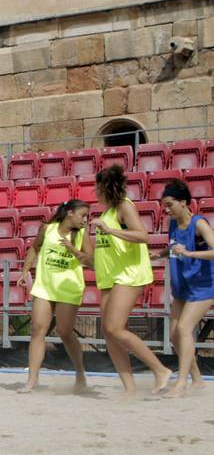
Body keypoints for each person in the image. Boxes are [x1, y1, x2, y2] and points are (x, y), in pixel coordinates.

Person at [92, 164, 171, 398]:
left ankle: (160, 369)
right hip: (110, 278)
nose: (95, 192)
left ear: (105, 187)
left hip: (130, 274)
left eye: (97, 187)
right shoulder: (106, 213)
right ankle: (130, 389)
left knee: (115, 327)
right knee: (109, 333)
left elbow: (142, 235)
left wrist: (110, 230)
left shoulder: (124, 206)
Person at [17, 199, 91, 394]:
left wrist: (73, 249)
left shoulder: (82, 234)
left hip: (69, 287)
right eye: (83, 215)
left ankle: (80, 373)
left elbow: (91, 261)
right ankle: (32, 379)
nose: (85, 220)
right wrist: (25, 271)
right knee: (37, 330)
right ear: (70, 213)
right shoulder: (47, 228)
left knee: (64, 332)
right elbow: (35, 247)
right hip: (45, 286)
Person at [159, 179, 214, 398]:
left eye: (170, 204)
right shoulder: (173, 223)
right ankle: (198, 380)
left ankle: (181, 382)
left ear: (183, 202)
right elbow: (174, 247)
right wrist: (160, 254)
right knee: (174, 336)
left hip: (203, 286)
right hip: (182, 285)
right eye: (164, 204)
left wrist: (190, 253)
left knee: (184, 329)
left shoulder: (199, 223)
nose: (166, 209)